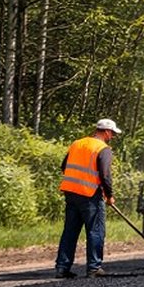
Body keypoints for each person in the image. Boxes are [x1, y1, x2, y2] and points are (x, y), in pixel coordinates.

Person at [55, 118, 122, 278]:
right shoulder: (103, 148)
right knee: (96, 231)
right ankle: (94, 267)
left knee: (70, 231)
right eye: (112, 134)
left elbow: (64, 166)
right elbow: (105, 175)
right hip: (90, 195)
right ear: (107, 132)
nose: (112, 137)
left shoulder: (77, 144)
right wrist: (109, 195)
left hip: (71, 192)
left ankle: (62, 267)